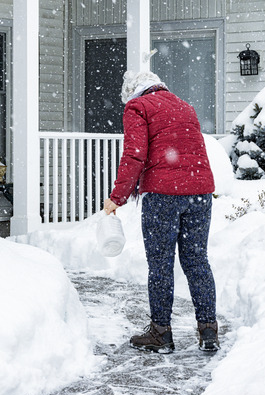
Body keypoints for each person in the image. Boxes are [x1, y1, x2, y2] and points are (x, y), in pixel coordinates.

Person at [103, 70, 219, 353]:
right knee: (196, 261)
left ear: (131, 92)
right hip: (199, 193)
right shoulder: (184, 105)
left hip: (163, 195)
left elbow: (134, 155)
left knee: (161, 264)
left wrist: (117, 197)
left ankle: (161, 333)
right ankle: (208, 331)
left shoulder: (137, 107)